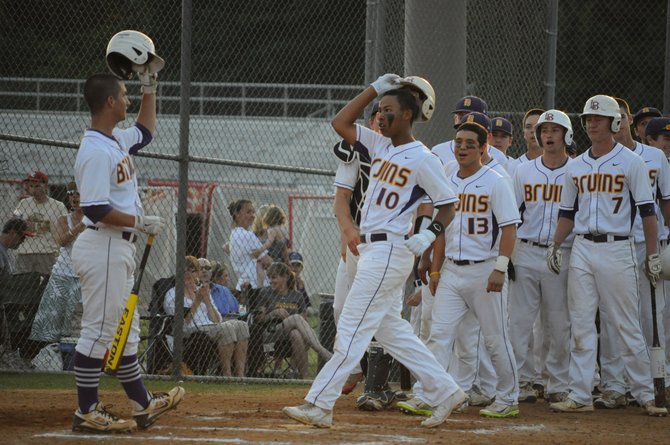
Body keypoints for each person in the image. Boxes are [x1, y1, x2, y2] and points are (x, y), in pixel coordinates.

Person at [283, 74, 466, 429]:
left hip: (391, 250)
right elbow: (340, 122)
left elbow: (448, 205)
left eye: (389, 111)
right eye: (380, 110)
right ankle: (446, 391)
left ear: (409, 115)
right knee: (390, 331)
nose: (381, 116)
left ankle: (320, 404)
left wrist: (428, 236)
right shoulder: (381, 145)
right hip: (373, 249)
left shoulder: (423, 158)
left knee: (350, 327)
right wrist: (375, 90)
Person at [71, 70, 183, 433]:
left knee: (127, 331)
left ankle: (142, 404)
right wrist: (138, 221)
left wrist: (149, 86)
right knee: (100, 331)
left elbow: (146, 131)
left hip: (118, 249)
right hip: (103, 243)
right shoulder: (93, 150)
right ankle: (87, 411)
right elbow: (94, 208)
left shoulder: (115, 139)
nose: (127, 99)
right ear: (108, 102)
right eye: (123, 94)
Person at [547, 94, 667, 416]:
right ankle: (580, 393)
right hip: (583, 247)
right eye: (588, 119)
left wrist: (653, 253)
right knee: (582, 323)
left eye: (599, 119)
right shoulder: (576, 166)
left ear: (616, 123)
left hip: (618, 246)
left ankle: (645, 393)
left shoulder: (632, 162)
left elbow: (648, 213)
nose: (592, 123)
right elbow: (567, 213)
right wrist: (555, 245)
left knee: (626, 324)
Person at [408, 114, 521, 419]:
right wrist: (433, 266)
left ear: (484, 149)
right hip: (452, 271)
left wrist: (500, 267)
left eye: (471, 144)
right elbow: (442, 226)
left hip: (485, 269)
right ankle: (430, 394)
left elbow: (509, 228)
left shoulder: (496, 181)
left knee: (495, 338)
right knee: (439, 335)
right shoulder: (447, 175)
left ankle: (508, 397)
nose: (463, 148)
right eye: (459, 142)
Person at [593, 98, 670, 409]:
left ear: (627, 122)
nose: (622, 122)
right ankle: (614, 385)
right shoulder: (604, 159)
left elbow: (665, 200)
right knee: (614, 318)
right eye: (617, 117)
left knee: (654, 316)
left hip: (651, 244)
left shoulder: (653, 157)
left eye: (624, 117)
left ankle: (658, 379)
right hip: (620, 244)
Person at [509, 109, 573, 405]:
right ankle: (521, 381)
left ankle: (557, 382)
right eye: (544, 131)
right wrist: (507, 254)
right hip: (526, 249)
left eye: (554, 130)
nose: (548, 135)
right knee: (519, 322)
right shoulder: (523, 171)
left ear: (566, 135)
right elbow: (510, 215)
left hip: (561, 252)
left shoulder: (577, 170)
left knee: (558, 323)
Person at [163, 256, 249, 377]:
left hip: (212, 327)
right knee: (227, 329)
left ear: (197, 274)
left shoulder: (203, 291)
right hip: (190, 330)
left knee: (242, 326)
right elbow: (181, 324)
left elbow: (217, 320)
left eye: (192, 270)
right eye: (185, 270)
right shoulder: (173, 293)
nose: (188, 273)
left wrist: (207, 300)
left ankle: (240, 376)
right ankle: (227, 375)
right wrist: (197, 301)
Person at [29, 182, 86, 346]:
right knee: (53, 318)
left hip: (83, 275)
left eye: (78, 194)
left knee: (76, 321)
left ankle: (73, 353)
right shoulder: (64, 219)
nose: (74, 197)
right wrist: (81, 225)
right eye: (71, 194)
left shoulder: (95, 220)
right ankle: (49, 353)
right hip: (63, 273)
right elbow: (62, 240)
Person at [255, 262, 332, 378]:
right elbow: (259, 319)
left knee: (296, 333)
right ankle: (323, 353)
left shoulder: (297, 296)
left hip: (291, 339)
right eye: (269, 277)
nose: (270, 281)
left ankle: (304, 377)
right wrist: (273, 313)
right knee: (296, 318)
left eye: (274, 277)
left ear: (285, 277)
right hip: (271, 334)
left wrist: (293, 322)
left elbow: (304, 321)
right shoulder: (265, 293)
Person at [12, 170, 68, 275]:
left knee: (45, 286)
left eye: (37, 185)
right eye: (31, 186)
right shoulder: (23, 204)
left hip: (48, 253)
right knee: (22, 287)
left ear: (45, 186)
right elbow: (14, 223)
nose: (34, 189)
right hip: (25, 252)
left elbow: (64, 230)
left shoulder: (58, 206)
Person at [228, 199, 273, 292]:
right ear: (237, 214)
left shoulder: (234, 234)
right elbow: (267, 261)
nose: (252, 215)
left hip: (244, 283)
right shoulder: (247, 235)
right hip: (256, 285)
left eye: (253, 212)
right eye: (248, 212)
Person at [506, 108, 545, 176]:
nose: (533, 130)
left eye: (538, 126)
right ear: (524, 133)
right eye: (528, 127)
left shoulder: (559, 166)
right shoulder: (513, 167)